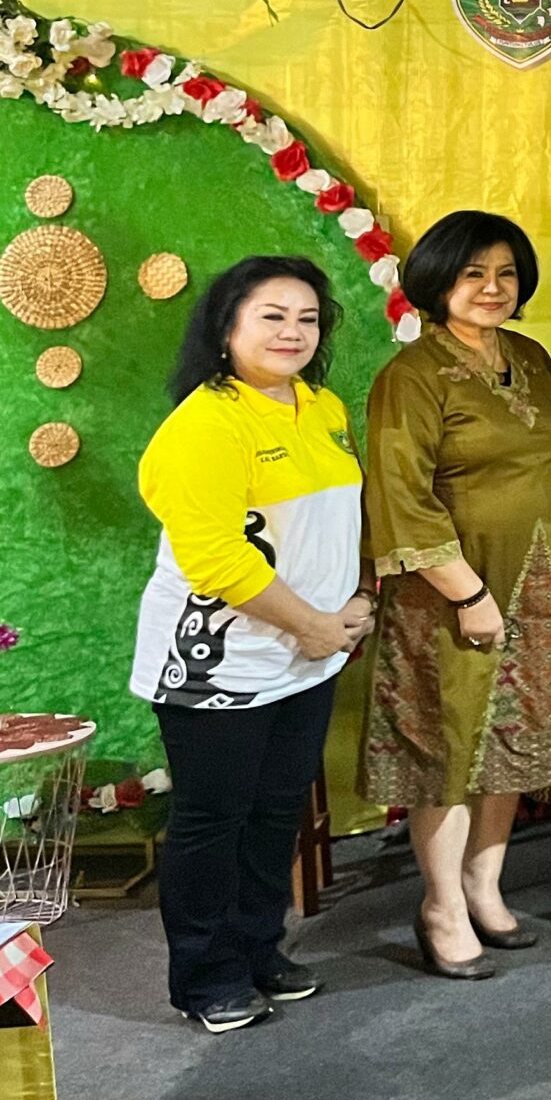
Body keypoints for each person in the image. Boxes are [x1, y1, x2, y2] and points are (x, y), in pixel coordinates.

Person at [132, 257, 373, 1032]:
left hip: (306, 657)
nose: (292, 332)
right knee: (215, 818)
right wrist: (314, 624)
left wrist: (356, 601)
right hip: (217, 665)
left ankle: (259, 948)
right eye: (272, 315)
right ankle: (207, 977)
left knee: (275, 812)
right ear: (226, 326)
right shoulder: (203, 426)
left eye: (308, 318)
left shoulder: (321, 407)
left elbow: (335, 520)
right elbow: (218, 561)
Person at [361, 211, 551, 979]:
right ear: (437, 281)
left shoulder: (528, 357)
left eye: (506, 274)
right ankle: (441, 907)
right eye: (473, 274)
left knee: (513, 742)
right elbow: (400, 497)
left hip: (541, 576)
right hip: (451, 593)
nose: (493, 288)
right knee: (450, 748)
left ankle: (484, 887)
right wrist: (466, 594)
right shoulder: (411, 376)